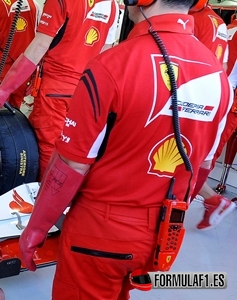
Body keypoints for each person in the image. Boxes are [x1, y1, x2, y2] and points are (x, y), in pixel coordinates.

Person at [18, 0, 232, 298]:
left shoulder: (112, 65)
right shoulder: (218, 77)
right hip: (161, 235)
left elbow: (71, 165)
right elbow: (202, 169)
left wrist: (36, 228)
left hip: (98, 234)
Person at [0, 0, 119, 178]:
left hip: (55, 90)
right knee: (72, 149)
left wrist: (5, 89)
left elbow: (39, 46)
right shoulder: (113, 6)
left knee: (47, 146)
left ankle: (42, 197)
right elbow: (105, 54)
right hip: (87, 91)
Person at [189, 1, 237, 229]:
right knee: (197, 159)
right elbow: (225, 65)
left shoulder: (190, 19)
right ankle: (212, 200)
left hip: (195, 96)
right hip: (218, 95)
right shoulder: (218, 22)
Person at [0, 0, 41, 107]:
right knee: (14, 115)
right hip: (24, 71)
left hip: (1, 71)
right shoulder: (34, 4)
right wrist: (35, 74)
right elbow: (40, 43)